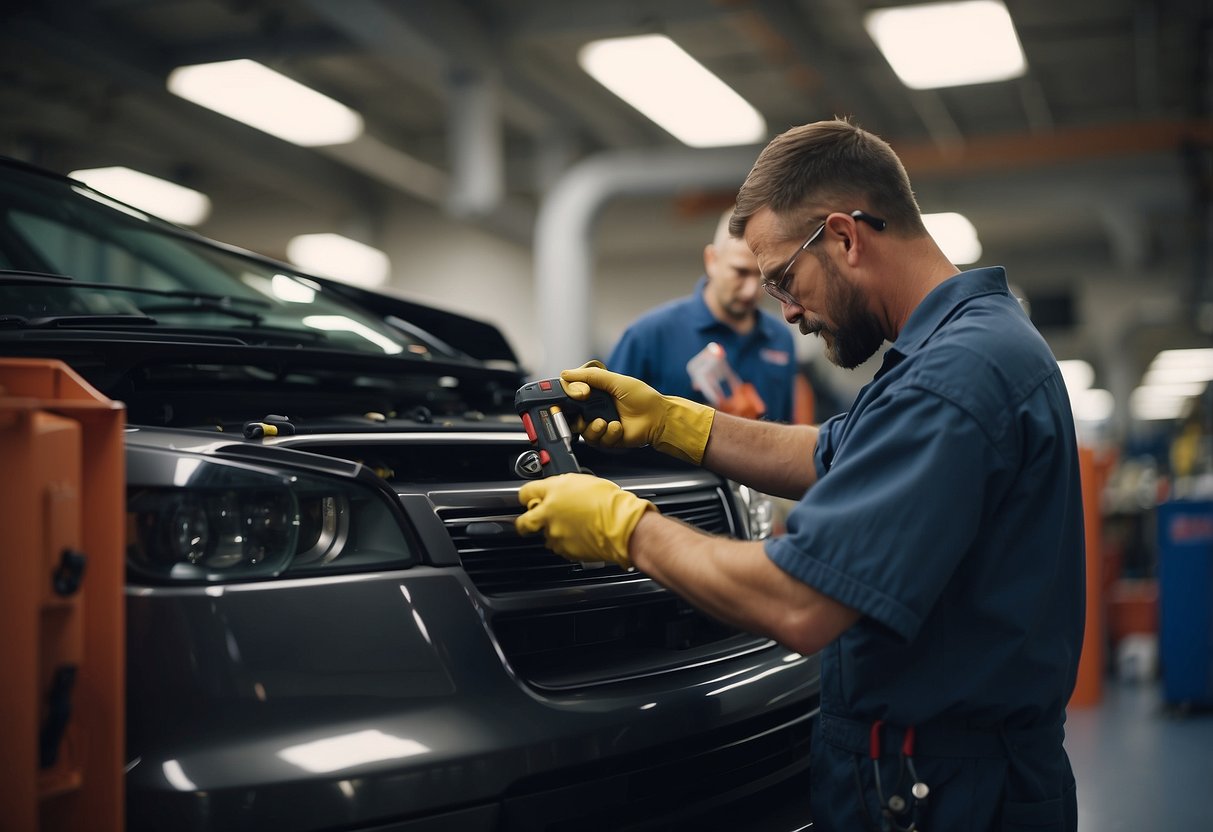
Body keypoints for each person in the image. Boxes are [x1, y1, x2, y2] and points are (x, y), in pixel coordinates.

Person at [515, 118, 1084, 831]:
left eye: (784, 278)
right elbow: (830, 452)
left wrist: (623, 526)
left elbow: (799, 603)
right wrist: (674, 422)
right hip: (945, 771)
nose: (784, 312)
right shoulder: (961, 345)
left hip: (943, 790)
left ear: (844, 237)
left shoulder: (953, 378)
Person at [606, 206, 797, 421]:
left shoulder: (780, 339)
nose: (751, 290)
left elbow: (784, 429)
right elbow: (610, 431)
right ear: (712, 260)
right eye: (740, 272)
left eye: (763, 277)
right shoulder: (648, 336)